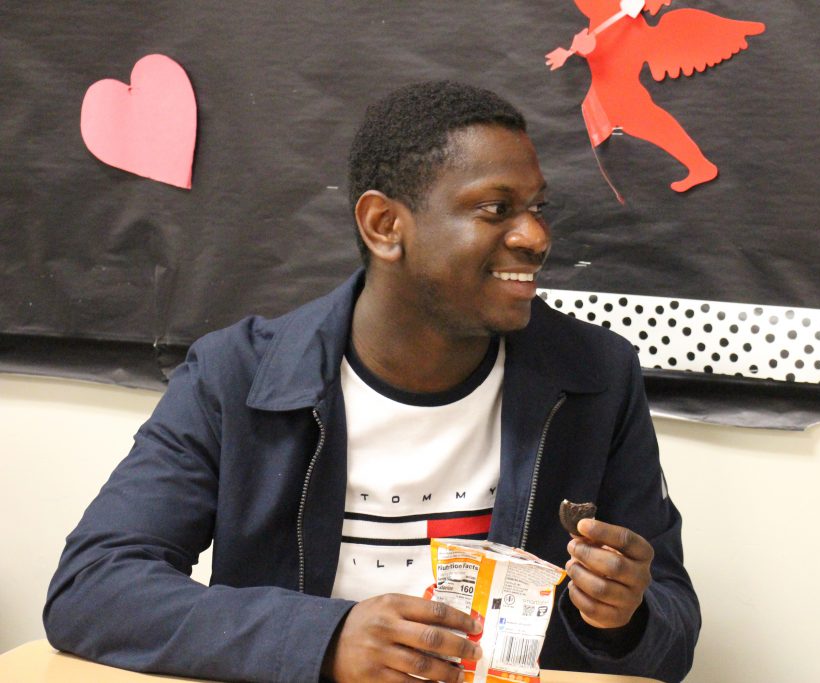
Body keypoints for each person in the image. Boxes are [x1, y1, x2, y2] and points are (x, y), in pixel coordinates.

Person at [44, 80, 700, 683]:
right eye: (496, 209)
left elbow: (672, 634)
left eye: (535, 207)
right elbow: (93, 587)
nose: (534, 235)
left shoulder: (594, 378)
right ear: (385, 226)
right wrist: (327, 640)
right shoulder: (238, 376)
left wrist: (624, 619)